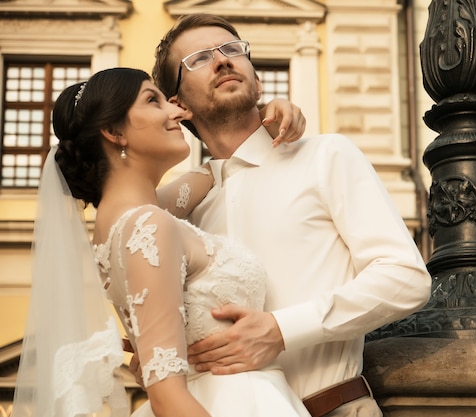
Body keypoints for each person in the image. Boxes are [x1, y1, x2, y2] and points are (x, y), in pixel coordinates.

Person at [150, 14, 433, 417]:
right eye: (198, 58)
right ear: (177, 105)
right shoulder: (185, 209)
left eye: (233, 50)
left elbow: (406, 279)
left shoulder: (326, 156)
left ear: (258, 79)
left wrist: (282, 330)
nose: (223, 61)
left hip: (333, 409)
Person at [12, 67, 311, 417]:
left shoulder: (133, 217)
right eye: (152, 101)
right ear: (113, 131)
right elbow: (167, 398)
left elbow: (215, 171)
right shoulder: (148, 224)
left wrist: (257, 118)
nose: (175, 111)